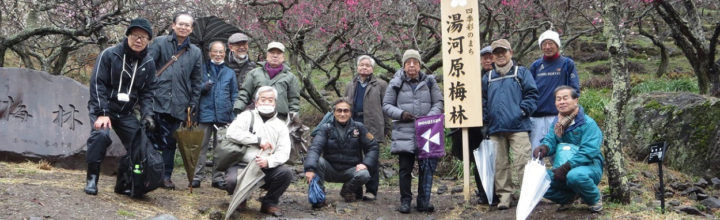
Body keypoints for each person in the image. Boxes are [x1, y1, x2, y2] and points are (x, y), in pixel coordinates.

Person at [84, 18, 157, 195]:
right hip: (104, 108)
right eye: (135, 35)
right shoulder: (109, 54)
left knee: (138, 143)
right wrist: (102, 112)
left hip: (125, 112)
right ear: (128, 36)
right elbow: (97, 84)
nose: (139, 40)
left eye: (144, 37)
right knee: (101, 136)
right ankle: (92, 178)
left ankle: (123, 183)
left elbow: (148, 92)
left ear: (148, 41)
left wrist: (147, 115)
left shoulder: (148, 63)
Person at [148, 12, 204, 189]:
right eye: (180, 24)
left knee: (171, 142)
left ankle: (166, 176)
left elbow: (196, 81)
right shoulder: (159, 43)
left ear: (192, 29)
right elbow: (148, 67)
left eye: (188, 25)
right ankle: (147, 172)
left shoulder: (195, 52)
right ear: (173, 25)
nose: (183, 27)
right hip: (157, 99)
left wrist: (193, 103)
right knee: (150, 138)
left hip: (179, 103)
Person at [383, 49, 443, 213]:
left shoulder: (430, 81)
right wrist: (401, 114)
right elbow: (387, 105)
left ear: (419, 65)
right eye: (408, 62)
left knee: (427, 168)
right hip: (404, 131)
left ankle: (424, 201)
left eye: (415, 62)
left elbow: (439, 102)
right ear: (403, 65)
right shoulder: (396, 83)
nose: (411, 65)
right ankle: (405, 201)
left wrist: (428, 118)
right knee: (405, 169)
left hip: (427, 132)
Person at [481, 39, 539, 210]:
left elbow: (532, 94)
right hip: (495, 128)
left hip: (518, 127)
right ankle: (505, 197)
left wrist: (522, 112)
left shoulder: (521, 73)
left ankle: (527, 195)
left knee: (523, 162)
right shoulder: (488, 77)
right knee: (499, 165)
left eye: (503, 52)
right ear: (492, 56)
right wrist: (485, 121)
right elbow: (483, 101)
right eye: (496, 53)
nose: (500, 55)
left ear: (510, 53)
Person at [224, 86, 293, 217]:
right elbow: (231, 133)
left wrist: (268, 161)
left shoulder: (280, 125)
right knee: (231, 181)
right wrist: (257, 140)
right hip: (243, 164)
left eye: (270, 100)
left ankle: (269, 203)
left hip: (266, 167)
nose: (266, 102)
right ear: (256, 102)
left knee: (286, 174)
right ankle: (241, 199)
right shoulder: (246, 116)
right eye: (263, 99)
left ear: (275, 103)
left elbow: (284, 151)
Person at [532, 86, 604, 213]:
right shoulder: (557, 123)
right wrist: (544, 148)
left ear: (576, 100)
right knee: (538, 179)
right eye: (558, 99)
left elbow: (589, 151)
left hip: (589, 166)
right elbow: (550, 140)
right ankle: (569, 198)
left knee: (575, 176)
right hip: (562, 167)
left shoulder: (587, 123)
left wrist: (567, 167)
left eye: (565, 98)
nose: (562, 102)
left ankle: (594, 199)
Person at [304, 98, 379, 206]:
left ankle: (348, 190)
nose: (342, 114)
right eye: (339, 111)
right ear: (334, 113)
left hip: (351, 171)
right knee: (318, 161)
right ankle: (319, 196)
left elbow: (373, 147)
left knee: (364, 174)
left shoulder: (359, 127)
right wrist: (309, 169)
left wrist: (365, 164)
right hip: (330, 169)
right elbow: (315, 148)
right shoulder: (326, 128)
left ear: (350, 113)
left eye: (346, 111)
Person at [191, 41, 238, 189]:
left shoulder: (229, 72)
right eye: (215, 51)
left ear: (225, 53)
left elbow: (234, 94)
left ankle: (217, 178)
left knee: (221, 149)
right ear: (209, 52)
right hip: (204, 114)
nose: (218, 55)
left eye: (221, 52)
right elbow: (193, 88)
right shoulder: (202, 69)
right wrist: (202, 88)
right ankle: (196, 177)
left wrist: (233, 113)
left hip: (224, 116)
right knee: (200, 147)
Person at [343, 55, 388, 201]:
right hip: (354, 123)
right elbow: (344, 106)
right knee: (353, 157)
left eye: (367, 65)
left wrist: (386, 129)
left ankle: (371, 190)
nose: (364, 67)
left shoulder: (380, 85)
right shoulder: (350, 85)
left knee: (371, 159)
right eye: (361, 65)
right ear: (357, 67)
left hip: (372, 126)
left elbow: (386, 108)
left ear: (372, 68)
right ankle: (356, 190)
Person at [529, 30, 580, 153]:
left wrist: (569, 112)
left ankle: (560, 172)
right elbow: (529, 90)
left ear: (557, 45)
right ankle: (537, 173)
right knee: (536, 152)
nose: (547, 47)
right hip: (537, 117)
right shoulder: (536, 66)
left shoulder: (567, 63)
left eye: (550, 43)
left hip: (558, 116)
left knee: (559, 151)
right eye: (544, 44)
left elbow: (574, 90)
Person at [232, 41, 300, 122]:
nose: (275, 56)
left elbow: (294, 101)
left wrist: (294, 119)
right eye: (272, 52)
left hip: (280, 119)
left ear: (283, 57)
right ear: (267, 55)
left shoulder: (291, 77)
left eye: (278, 53)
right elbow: (244, 93)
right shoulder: (254, 73)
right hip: (256, 116)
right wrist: (238, 109)